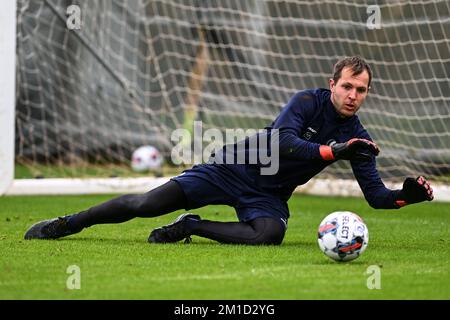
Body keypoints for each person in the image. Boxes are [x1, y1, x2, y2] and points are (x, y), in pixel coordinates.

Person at [24, 56, 434, 245]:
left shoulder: (359, 139)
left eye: (361, 90)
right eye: (347, 86)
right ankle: (66, 224)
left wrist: (406, 196)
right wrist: (335, 150)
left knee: (270, 235)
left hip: (267, 195)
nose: (353, 95)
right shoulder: (305, 102)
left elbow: (378, 198)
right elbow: (282, 142)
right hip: (231, 167)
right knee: (147, 204)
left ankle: (190, 227)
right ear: (332, 84)